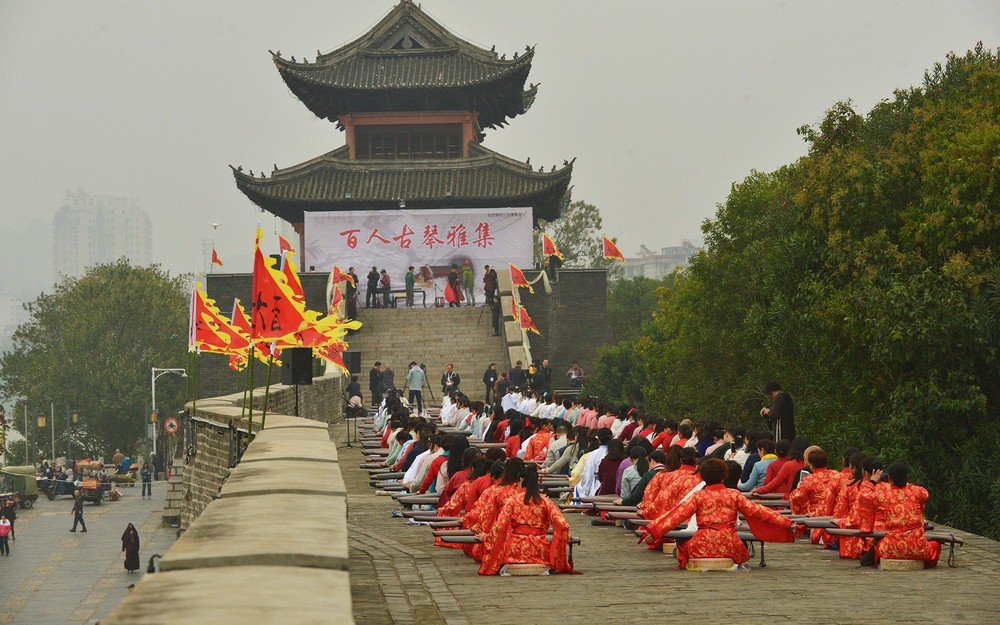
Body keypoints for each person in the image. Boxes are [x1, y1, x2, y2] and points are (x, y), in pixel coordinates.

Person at [641, 458, 794, 570]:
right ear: (723, 476)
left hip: (701, 544)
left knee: (682, 543)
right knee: (741, 546)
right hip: (730, 544)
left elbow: (675, 516)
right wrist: (788, 523)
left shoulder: (698, 496)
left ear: (703, 476)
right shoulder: (733, 495)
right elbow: (761, 512)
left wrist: (654, 531)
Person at [478, 466, 572, 575]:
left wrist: (487, 538)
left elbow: (500, 527)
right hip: (540, 550)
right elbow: (563, 525)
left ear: (521, 480)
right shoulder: (544, 501)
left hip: (515, 550)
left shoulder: (513, 501)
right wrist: (558, 547)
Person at [872, 461, 942, 568]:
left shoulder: (884, 494)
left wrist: (872, 482)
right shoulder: (918, 491)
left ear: (889, 478)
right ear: (906, 476)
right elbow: (925, 497)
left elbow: (864, 497)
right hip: (917, 548)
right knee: (935, 545)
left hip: (892, 547)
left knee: (877, 543)